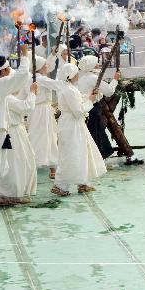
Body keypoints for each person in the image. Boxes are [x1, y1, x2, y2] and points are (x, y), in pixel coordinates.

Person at [52, 63, 106, 196]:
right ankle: (61, 185)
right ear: (71, 75)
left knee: (80, 152)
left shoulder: (69, 88)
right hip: (71, 125)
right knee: (71, 154)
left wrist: (89, 97)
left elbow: (79, 100)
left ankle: (83, 182)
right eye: (76, 73)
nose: (78, 75)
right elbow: (78, 111)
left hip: (74, 125)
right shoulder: (69, 90)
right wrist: (91, 101)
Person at [0, 80, 39, 205]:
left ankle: (16, 192)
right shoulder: (7, 98)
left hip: (16, 132)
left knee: (22, 162)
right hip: (13, 134)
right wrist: (32, 93)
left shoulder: (8, 97)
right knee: (16, 163)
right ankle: (10, 193)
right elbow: (26, 108)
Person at [76, 55, 120, 159]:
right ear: (91, 65)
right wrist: (115, 80)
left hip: (83, 106)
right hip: (92, 107)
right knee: (96, 132)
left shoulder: (79, 76)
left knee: (94, 131)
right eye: (96, 63)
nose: (98, 64)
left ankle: (98, 156)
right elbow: (109, 91)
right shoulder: (92, 78)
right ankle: (99, 157)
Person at [29, 53, 63, 179]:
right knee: (44, 137)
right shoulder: (41, 79)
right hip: (42, 110)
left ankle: (53, 167)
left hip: (38, 110)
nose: (47, 67)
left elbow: (48, 67)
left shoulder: (34, 77)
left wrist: (53, 56)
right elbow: (57, 85)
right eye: (44, 65)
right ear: (39, 67)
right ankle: (36, 163)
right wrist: (67, 80)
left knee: (49, 136)